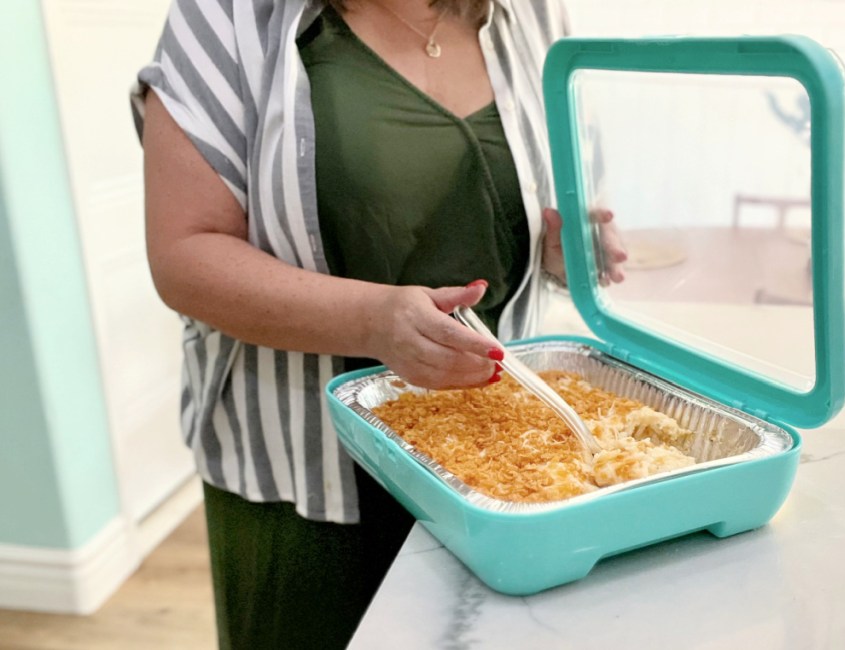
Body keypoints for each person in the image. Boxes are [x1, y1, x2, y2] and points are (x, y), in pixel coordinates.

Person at [132, 0, 625, 647]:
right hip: (305, 480)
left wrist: (556, 249)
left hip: (506, 469)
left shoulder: (532, 15)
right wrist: (373, 322)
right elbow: (184, 257)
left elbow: (537, 199)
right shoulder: (229, 16)